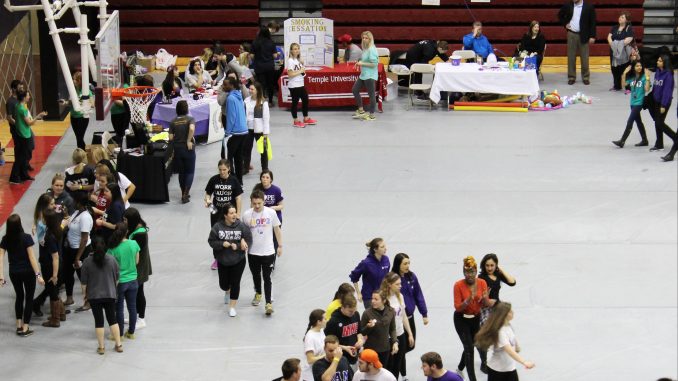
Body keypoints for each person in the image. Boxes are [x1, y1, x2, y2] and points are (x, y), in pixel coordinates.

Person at [0, 214, 44, 337]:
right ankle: (26, 327)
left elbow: (1, 257)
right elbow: (32, 258)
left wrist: (1, 276)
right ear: (19, 224)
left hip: (14, 272)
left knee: (19, 296)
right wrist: (38, 275)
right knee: (29, 298)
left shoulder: (5, 239)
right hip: (28, 272)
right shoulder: (26, 238)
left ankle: (18, 325)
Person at [242, 190, 283, 315]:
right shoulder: (247, 215)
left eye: (259, 203)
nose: (257, 206)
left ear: (263, 201)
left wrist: (280, 245)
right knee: (255, 275)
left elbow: (277, 229)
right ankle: (258, 293)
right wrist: (243, 242)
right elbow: (243, 232)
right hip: (253, 252)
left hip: (268, 252)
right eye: (254, 203)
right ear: (251, 202)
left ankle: (268, 302)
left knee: (267, 277)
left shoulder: (271, 213)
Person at [207, 203, 251, 317]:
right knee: (224, 284)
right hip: (223, 261)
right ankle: (227, 290)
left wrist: (243, 242)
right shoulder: (217, 227)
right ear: (225, 215)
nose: (234, 215)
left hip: (238, 260)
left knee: (235, 283)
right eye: (231, 213)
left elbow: (249, 238)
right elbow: (211, 241)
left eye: (235, 212)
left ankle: (232, 307)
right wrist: (222, 244)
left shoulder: (241, 226)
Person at [81, 236, 123, 354]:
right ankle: (118, 344)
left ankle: (101, 348)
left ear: (92, 247)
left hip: (94, 296)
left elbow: (84, 282)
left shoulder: (87, 262)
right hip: (110, 294)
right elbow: (117, 278)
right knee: (112, 320)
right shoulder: (112, 259)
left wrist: (85, 295)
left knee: (99, 321)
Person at [475, 302, 535, 380]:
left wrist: (516, 345)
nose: (513, 312)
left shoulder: (508, 325)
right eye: (510, 311)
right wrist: (524, 362)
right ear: (504, 315)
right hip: (498, 371)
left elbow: (511, 337)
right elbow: (509, 350)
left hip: (509, 368)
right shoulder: (500, 332)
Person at [453, 256, 491, 381]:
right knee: (469, 349)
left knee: (475, 344)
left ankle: (459, 368)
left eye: (472, 272)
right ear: (463, 272)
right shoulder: (458, 285)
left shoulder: (482, 283)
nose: (470, 275)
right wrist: (468, 300)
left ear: (476, 271)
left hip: (476, 318)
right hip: (461, 319)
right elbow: (458, 307)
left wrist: (485, 299)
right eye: (467, 272)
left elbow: (485, 304)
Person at [477, 254, 517, 372]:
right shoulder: (481, 278)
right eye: (487, 265)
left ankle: (504, 353)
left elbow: (512, 282)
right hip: (486, 308)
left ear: (496, 265)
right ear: (484, 266)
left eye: (492, 265)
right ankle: (484, 361)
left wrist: (500, 270)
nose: (489, 268)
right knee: (487, 333)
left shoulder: (497, 274)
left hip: (497, 306)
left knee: (507, 329)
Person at [391, 253, 429, 379]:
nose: (408, 266)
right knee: (401, 349)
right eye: (405, 263)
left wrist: (424, 313)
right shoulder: (393, 279)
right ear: (398, 264)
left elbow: (418, 295)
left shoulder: (412, 277)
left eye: (409, 263)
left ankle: (397, 364)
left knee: (410, 346)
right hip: (397, 320)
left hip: (409, 319)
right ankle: (403, 375)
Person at [205, 159, 244, 269]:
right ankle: (217, 259)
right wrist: (208, 201)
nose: (222, 172)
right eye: (220, 170)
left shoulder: (234, 180)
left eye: (224, 170)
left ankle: (231, 256)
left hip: (230, 213)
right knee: (217, 235)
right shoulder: (213, 180)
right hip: (216, 213)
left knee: (230, 234)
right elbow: (208, 194)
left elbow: (238, 198)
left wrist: (238, 213)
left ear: (229, 169)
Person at [380, 272, 415, 379]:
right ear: (389, 284)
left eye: (400, 283)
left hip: (400, 334)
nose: (400, 286)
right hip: (388, 338)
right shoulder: (382, 299)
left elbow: (403, 316)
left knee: (397, 364)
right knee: (388, 366)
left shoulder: (400, 296)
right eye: (397, 284)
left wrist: (409, 334)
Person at [108, 222, 139, 339]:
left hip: (120, 282)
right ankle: (131, 332)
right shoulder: (134, 244)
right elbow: (136, 261)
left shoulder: (113, 248)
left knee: (119, 308)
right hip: (133, 280)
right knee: (132, 307)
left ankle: (119, 334)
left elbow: (109, 265)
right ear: (127, 232)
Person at [62, 192, 93, 308]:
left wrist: (78, 258)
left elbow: (84, 239)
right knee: (68, 274)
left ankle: (88, 301)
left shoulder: (85, 217)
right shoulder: (76, 212)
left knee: (83, 277)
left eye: (74, 201)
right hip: (70, 248)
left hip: (81, 251)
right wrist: (65, 214)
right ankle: (69, 298)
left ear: (79, 203)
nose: (72, 203)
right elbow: (70, 224)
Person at [612, 60, 651, 149]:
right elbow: (623, 85)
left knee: (630, 121)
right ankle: (645, 140)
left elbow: (647, 89)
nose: (639, 67)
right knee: (639, 122)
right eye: (637, 66)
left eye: (640, 66)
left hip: (639, 103)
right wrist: (624, 74)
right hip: (632, 103)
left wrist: (648, 78)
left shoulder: (644, 77)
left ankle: (622, 141)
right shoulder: (632, 77)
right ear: (634, 67)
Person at [9, 90, 45, 184]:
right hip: (25, 135)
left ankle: (23, 175)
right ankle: (14, 177)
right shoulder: (22, 109)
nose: (29, 97)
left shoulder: (17, 106)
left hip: (21, 133)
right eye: (28, 96)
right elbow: (29, 123)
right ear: (24, 97)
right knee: (22, 157)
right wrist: (38, 116)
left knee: (23, 157)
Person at [125, 208, 152, 329]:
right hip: (136, 265)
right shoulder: (135, 229)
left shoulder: (140, 234)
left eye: (125, 220)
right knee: (134, 293)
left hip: (139, 266)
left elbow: (134, 251)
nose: (124, 222)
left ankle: (141, 318)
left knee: (139, 292)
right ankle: (134, 316)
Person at [558, 0, 597, 85]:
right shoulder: (568, 5)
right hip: (571, 34)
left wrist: (592, 36)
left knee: (584, 58)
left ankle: (585, 77)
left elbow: (593, 22)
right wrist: (565, 24)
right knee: (571, 57)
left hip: (584, 35)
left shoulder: (589, 7)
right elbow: (560, 15)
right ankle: (571, 77)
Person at [648, 54, 676, 162]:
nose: (657, 62)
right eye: (658, 60)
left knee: (660, 123)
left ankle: (675, 138)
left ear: (665, 62)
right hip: (656, 101)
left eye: (660, 61)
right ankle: (659, 144)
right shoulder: (658, 72)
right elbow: (655, 87)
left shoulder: (668, 75)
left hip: (664, 103)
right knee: (657, 122)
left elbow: (667, 92)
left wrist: (663, 105)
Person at [324, 293, 364, 368]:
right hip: (340, 358)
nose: (353, 313)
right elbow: (327, 342)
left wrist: (360, 340)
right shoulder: (334, 320)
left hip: (354, 356)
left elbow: (359, 332)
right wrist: (345, 348)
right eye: (350, 311)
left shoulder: (356, 314)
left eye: (354, 310)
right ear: (343, 307)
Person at [349, 237, 390, 309]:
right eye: (382, 247)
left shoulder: (386, 260)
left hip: (383, 296)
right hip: (370, 298)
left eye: (385, 246)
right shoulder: (366, 263)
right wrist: (358, 293)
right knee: (374, 319)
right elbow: (354, 276)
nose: (386, 248)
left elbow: (386, 277)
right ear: (375, 249)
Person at [168, 100, 196, 203]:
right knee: (190, 171)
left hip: (178, 149)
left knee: (181, 172)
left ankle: (182, 192)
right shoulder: (190, 119)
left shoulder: (172, 121)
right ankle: (186, 193)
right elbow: (192, 129)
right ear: (187, 109)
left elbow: (170, 138)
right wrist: (188, 140)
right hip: (188, 148)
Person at [360, 291, 397, 367]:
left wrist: (395, 342)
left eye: (376, 299)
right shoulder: (367, 313)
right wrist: (368, 327)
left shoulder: (391, 311)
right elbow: (362, 332)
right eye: (372, 298)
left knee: (382, 371)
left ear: (384, 301)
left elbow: (392, 329)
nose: (373, 301)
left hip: (385, 349)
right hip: (370, 350)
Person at [223, 76, 249, 184]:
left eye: (226, 84)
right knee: (238, 158)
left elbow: (231, 117)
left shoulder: (230, 98)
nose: (224, 86)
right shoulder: (239, 96)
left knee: (228, 159)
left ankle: (231, 182)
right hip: (244, 131)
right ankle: (240, 182)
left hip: (235, 133)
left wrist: (227, 133)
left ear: (232, 85)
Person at [287, 43, 318, 128]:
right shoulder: (290, 61)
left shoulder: (298, 60)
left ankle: (306, 118)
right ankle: (296, 121)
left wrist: (303, 69)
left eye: (298, 48)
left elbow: (301, 72)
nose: (296, 50)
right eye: (294, 49)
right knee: (295, 103)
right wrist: (300, 71)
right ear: (291, 51)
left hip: (301, 84)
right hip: (294, 85)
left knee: (305, 100)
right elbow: (290, 74)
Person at [351, 31, 379, 121]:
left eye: (366, 38)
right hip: (363, 74)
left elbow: (374, 64)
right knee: (355, 90)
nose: (364, 39)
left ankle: (372, 115)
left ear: (370, 39)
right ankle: (361, 110)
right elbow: (364, 59)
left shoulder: (371, 49)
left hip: (370, 75)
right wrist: (359, 61)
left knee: (371, 95)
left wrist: (361, 63)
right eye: (363, 38)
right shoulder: (365, 48)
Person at [244, 82, 271, 171]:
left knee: (263, 150)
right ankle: (246, 167)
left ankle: (265, 168)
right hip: (248, 129)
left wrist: (265, 133)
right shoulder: (246, 101)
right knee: (247, 149)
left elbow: (266, 119)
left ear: (258, 91)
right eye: (250, 89)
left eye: (252, 89)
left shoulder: (263, 103)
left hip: (259, 131)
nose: (250, 91)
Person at [607, 12, 635, 91]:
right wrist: (613, 45)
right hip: (614, 51)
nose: (620, 18)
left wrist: (616, 44)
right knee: (614, 69)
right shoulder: (614, 27)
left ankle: (628, 87)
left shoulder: (629, 28)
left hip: (624, 52)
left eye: (622, 17)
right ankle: (617, 86)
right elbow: (609, 37)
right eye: (620, 17)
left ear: (627, 20)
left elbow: (628, 39)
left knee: (626, 69)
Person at [252, 26, 278, 104]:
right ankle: (270, 101)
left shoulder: (255, 42)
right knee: (270, 84)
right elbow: (275, 56)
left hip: (259, 66)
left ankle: (261, 100)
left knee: (261, 84)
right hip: (269, 66)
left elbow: (252, 56)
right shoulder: (271, 42)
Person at [302, 309, 327, 381]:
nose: (326, 320)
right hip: (310, 375)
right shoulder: (310, 337)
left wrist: (344, 347)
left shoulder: (321, 331)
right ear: (319, 322)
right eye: (325, 319)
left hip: (319, 370)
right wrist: (326, 356)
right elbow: (310, 359)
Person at [69, 71, 91, 149]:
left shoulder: (86, 90)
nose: (73, 81)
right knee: (78, 137)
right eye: (73, 79)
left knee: (79, 137)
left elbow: (92, 104)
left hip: (82, 117)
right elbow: (71, 101)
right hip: (73, 116)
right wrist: (65, 102)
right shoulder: (73, 89)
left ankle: (81, 153)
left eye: (75, 79)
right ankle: (82, 153)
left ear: (80, 81)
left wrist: (82, 103)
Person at [110, 81, 130, 146]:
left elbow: (127, 104)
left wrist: (115, 100)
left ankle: (122, 148)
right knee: (118, 133)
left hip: (123, 114)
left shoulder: (125, 86)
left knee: (123, 134)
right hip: (114, 114)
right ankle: (120, 147)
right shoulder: (111, 86)